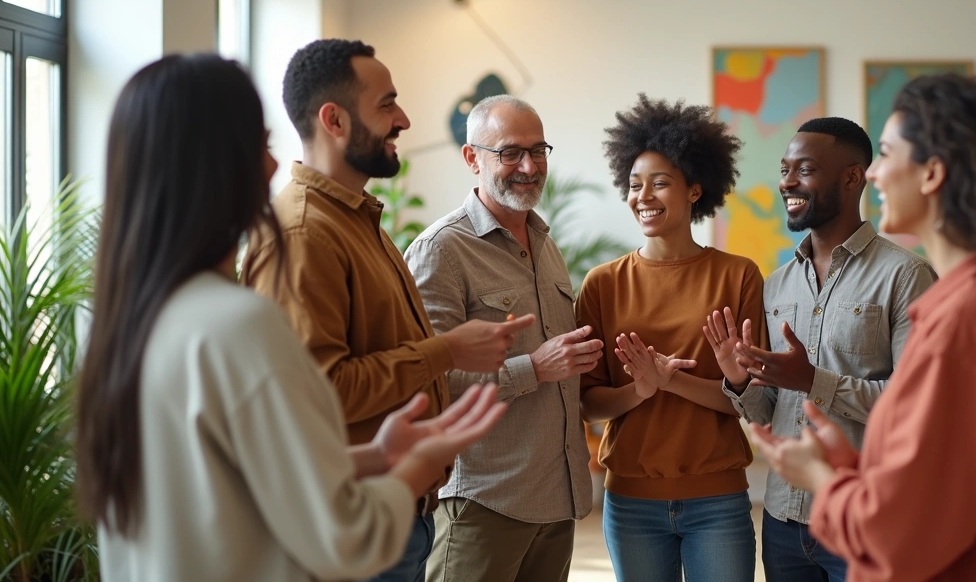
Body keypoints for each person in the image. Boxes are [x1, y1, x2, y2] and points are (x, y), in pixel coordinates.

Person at [74, 53, 508, 582]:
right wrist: (418, 466)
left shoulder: (128, 326)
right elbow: (342, 539)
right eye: (260, 145)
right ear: (213, 166)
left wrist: (372, 456)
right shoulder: (237, 325)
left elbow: (224, 486)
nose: (274, 166)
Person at [750, 73, 976, 581]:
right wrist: (850, 467)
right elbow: (947, 483)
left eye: (885, 153)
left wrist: (819, 478)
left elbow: (899, 532)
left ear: (932, 174)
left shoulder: (961, 322)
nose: (874, 174)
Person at [242, 39, 534, 582]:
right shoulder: (306, 232)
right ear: (334, 119)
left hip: (390, 516)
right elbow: (324, 389)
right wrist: (445, 349)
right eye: (386, 105)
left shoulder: (354, 218)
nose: (403, 119)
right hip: (348, 527)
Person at [722, 117, 936, 582]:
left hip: (865, 516)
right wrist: (739, 380)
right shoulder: (776, 286)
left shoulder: (906, 276)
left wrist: (812, 380)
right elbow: (772, 413)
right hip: (781, 520)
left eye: (805, 169)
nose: (787, 182)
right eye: (785, 169)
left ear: (853, 177)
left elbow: (913, 408)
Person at [403, 95, 601, 582]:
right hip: (482, 501)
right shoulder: (440, 250)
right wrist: (533, 368)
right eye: (510, 152)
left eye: (539, 151)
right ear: (473, 158)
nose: (529, 166)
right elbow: (429, 382)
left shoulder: (546, 244)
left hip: (556, 500)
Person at [576, 94, 768, 582]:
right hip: (632, 502)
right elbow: (588, 404)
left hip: (718, 501)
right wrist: (638, 389)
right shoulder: (602, 283)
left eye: (661, 183)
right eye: (635, 184)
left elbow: (752, 405)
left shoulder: (738, 276)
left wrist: (671, 381)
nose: (645, 196)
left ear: (695, 190)